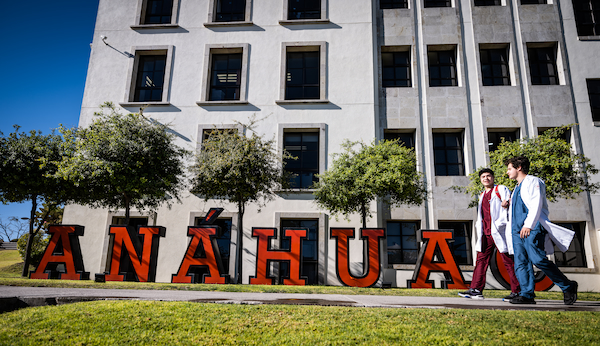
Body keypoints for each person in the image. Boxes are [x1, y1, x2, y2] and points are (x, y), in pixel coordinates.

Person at [505, 156, 578, 305]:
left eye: (509, 168)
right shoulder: (516, 188)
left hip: (531, 227)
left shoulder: (533, 181)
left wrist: (529, 225)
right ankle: (526, 294)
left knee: (538, 259)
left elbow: (536, 203)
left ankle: (568, 286)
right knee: (521, 262)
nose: (507, 172)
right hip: (516, 230)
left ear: (519, 168)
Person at [459, 168, 520, 300]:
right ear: (481, 180)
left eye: (488, 176)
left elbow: (509, 201)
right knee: (480, 261)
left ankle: (517, 291)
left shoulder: (500, 189)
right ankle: (475, 289)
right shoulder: (482, 195)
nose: (486, 178)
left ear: (493, 178)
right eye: (483, 177)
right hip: (486, 234)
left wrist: (506, 203)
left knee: (508, 261)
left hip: (499, 231)